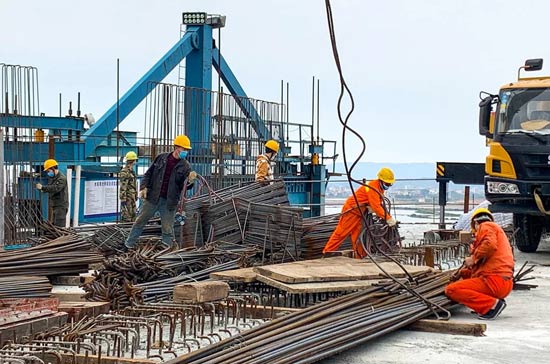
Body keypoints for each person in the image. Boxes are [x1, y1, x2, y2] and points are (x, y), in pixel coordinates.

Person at [124, 135, 197, 250]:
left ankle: (166, 253)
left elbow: (186, 187)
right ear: (177, 147)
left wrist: (191, 181)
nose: (186, 152)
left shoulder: (185, 166)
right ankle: (128, 246)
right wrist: (143, 187)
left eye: (187, 150)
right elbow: (148, 174)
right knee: (139, 222)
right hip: (153, 198)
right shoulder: (161, 158)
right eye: (184, 149)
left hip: (169, 203)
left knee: (167, 230)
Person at [445, 207, 514, 320]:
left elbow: (489, 245)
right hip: (503, 283)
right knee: (467, 277)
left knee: (451, 290)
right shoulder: (496, 231)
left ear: (476, 222)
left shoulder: (486, 226)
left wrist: (473, 258)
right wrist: (462, 272)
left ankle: (491, 305)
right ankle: (491, 302)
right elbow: (481, 269)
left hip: (494, 282)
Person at [323, 167, 397, 258]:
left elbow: (375, 203)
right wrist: (388, 219)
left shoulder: (379, 188)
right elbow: (377, 207)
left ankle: (359, 256)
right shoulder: (373, 187)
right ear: (381, 180)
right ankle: (327, 252)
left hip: (359, 213)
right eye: (387, 184)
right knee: (341, 233)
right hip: (351, 211)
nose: (388, 186)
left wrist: (370, 207)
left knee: (358, 236)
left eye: (390, 184)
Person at [35, 159, 68, 227]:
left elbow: (55, 188)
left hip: (61, 206)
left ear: (53, 168)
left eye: (48, 171)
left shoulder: (61, 178)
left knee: (59, 226)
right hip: (55, 205)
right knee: (54, 225)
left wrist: (43, 188)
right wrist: (44, 190)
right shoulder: (53, 177)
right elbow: (51, 187)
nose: (48, 173)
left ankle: (61, 237)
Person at [119, 151, 139, 223]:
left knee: (134, 216)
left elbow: (133, 184)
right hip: (127, 198)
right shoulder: (125, 172)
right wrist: (123, 199)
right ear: (133, 161)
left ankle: (131, 232)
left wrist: (136, 195)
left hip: (132, 197)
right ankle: (125, 232)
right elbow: (123, 186)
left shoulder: (131, 171)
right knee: (127, 217)